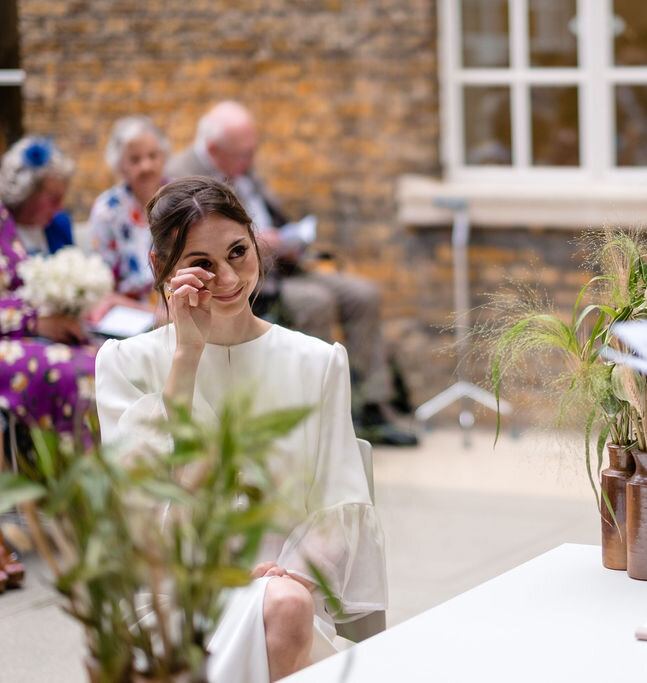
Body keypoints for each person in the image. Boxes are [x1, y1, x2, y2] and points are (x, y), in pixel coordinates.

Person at [94, 177, 387, 682]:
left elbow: (339, 503)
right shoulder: (127, 363)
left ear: (257, 242)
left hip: (290, 590)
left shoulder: (317, 362)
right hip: (169, 596)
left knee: (287, 608)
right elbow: (137, 510)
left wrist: (287, 578)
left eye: (237, 252)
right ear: (162, 268)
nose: (227, 277)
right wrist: (186, 356)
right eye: (202, 263)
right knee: (282, 611)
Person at [165, 101, 416, 446]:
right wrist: (257, 243)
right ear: (213, 150)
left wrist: (290, 238)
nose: (250, 162)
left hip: (287, 262)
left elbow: (272, 213)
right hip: (250, 276)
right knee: (316, 301)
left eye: (251, 152)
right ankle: (317, 411)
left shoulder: (242, 167)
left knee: (363, 294)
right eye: (243, 155)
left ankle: (374, 407)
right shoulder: (184, 173)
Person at [0, 136, 96, 437]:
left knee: (108, 358)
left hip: (30, 328)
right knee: (76, 371)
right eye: (51, 198)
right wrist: (34, 321)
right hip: (21, 333)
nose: (59, 207)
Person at [89, 116, 170, 304]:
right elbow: (102, 283)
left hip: (180, 302)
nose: (146, 166)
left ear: (163, 156)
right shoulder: (108, 210)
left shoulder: (182, 198)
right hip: (128, 311)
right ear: (120, 164)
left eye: (152, 156)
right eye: (135, 159)